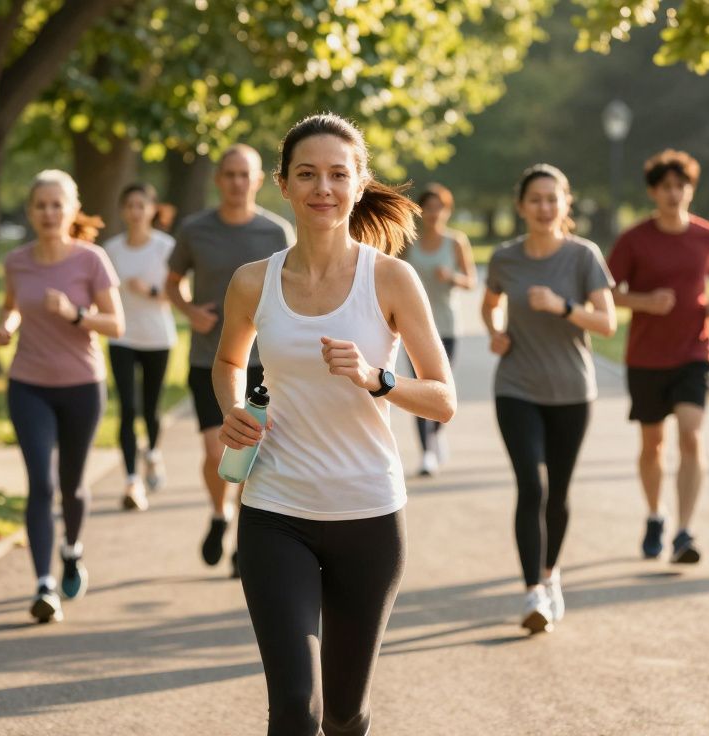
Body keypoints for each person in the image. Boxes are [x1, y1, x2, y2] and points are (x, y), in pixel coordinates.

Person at [216, 113, 455, 736]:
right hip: (275, 510)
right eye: (307, 174)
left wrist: (379, 378)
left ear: (358, 183)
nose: (323, 187)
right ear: (285, 185)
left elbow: (444, 399)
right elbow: (228, 359)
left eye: (337, 175)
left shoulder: (392, 279)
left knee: (346, 714)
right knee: (296, 708)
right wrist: (233, 410)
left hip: (368, 514)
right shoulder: (252, 282)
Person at [481, 164, 616, 634]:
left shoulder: (584, 257)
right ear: (521, 207)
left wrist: (562, 307)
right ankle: (531, 592)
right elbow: (489, 301)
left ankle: (550, 575)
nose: (544, 208)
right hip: (516, 386)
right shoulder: (505, 258)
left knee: (557, 491)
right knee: (531, 485)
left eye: (552, 199)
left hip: (572, 391)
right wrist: (495, 332)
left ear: (565, 204)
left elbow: (607, 322)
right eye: (535, 199)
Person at [0, 169, 124, 623]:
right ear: (30, 212)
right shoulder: (17, 261)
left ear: (71, 212)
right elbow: (12, 305)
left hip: (82, 386)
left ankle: (72, 549)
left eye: (57, 205)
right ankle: (43, 585)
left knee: (71, 482)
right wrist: (6, 327)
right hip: (28, 384)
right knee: (41, 483)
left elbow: (116, 324)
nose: (49, 213)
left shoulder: (91, 260)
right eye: (41, 205)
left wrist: (74, 313)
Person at [166, 144, 295, 577]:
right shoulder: (194, 229)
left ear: (258, 181)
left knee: (250, 454)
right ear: (218, 180)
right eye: (230, 174)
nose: (238, 182)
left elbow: (294, 291)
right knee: (213, 448)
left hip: (263, 362)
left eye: (246, 175)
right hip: (209, 359)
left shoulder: (276, 233)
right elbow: (172, 283)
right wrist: (189, 313)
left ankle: (242, 535)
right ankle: (219, 513)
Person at [607, 150, 709, 564]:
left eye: (681, 186)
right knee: (652, 444)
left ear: (690, 190)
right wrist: (644, 301)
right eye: (666, 188)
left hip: (695, 349)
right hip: (646, 356)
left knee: (691, 436)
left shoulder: (708, 235)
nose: (674, 194)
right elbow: (606, 291)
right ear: (653, 192)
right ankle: (655, 515)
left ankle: (684, 531)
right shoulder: (634, 239)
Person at [103, 183, 177, 511]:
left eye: (141, 205)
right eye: (129, 205)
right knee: (128, 409)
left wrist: (148, 290)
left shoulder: (166, 247)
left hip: (157, 337)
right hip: (121, 336)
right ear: (122, 210)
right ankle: (132, 481)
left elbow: (177, 293)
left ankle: (154, 454)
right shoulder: (111, 249)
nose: (135, 211)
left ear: (151, 209)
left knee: (151, 408)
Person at [402, 183, 476, 476]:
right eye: (428, 207)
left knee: (441, 387)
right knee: (421, 387)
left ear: (447, 211)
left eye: (439, 207)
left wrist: (452, 277)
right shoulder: (410, 242)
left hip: (446, 326)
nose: (434, 213)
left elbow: (471, 280)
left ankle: (436, 435)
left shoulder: (456, 242)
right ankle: (427, 453)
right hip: (414, 327)